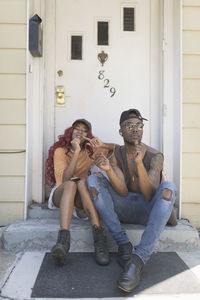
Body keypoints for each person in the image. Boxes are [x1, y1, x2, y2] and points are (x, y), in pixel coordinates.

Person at [87, 109, 177, 293]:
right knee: (94, 180)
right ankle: (123, 243)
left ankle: (138, 259)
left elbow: (149, 194)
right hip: (125, 207)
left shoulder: (155, 155)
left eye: (139, 125)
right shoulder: (115, 155)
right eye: (129, 126)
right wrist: (109, 170)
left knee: (169, 187)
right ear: (121, 131)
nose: (135, 129)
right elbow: (121, 190)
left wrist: (139, 164)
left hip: (149, 210)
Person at [45, 119, 115, 267]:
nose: (80, 132)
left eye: (84, 130)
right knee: (71, 184)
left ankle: (99, 239)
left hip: (80, 195)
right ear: (70, 131)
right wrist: (76, 151)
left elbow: (118, 148)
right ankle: (63, 242)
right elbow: (64, 179)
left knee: (83, 182)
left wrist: (102, 145)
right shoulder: (60, 151)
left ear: (87, 135)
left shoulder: (90, 151)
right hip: (62, 192)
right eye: (77, 128)